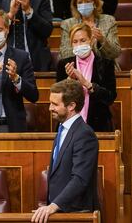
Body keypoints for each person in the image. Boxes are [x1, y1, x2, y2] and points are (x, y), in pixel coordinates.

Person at [31, 79, 99, 222]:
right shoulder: (62, 129)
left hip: (76, 213)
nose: (50, 108)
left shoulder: (84, 134)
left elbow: (80, 179)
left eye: (55, 104)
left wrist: (53, 206)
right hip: (59, 212)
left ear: (71, 106)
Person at [56, 23, 116, 132]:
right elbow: (58, 99)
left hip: (98, 125)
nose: (79, 45)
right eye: (75, 42)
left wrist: (87, 84)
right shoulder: (63, 65)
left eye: (83, 40)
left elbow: (110, 97)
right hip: (69, 126)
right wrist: (69, 80)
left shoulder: (105, 64)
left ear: (91, 40)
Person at [59, 0, 121, 64]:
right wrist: (85, 47)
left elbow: (115, 53)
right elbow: (64, 54)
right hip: (77, 70)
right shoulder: (68, 24)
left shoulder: (108, 21)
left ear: (94, 2)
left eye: (87, 1)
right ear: (75, 5)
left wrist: (102, 40)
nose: (84, 5)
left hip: (104, 70)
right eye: (80, 2)